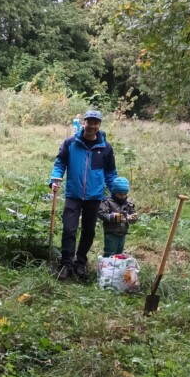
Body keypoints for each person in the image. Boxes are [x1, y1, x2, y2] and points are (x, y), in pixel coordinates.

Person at [50, 110, 118, 282]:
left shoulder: (105, 148)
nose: (92, 126)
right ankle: (66, 264)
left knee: (88, 231)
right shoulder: (71, 143)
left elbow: (110, 173)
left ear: (99, 125)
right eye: (89, 122)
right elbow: (60, 163)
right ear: (83, 123)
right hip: (73, 194)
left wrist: (115, 191)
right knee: (69, 229)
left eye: (96, 123)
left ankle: (80, 263)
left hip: (94, 196)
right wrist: (54, 180)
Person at [97, 177, 137, 257]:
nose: (122, 196)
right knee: (110, 253)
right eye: (120, 194)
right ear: (114, 192)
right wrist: (114, 217)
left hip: (123, 233)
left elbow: (132, 214)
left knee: (119, 253)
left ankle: (116, 268)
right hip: (111, 232)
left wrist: (133, 218)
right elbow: (101, 214)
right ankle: (107, 267)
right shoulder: (107, 202)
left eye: (125, 194)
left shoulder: (128, 204)